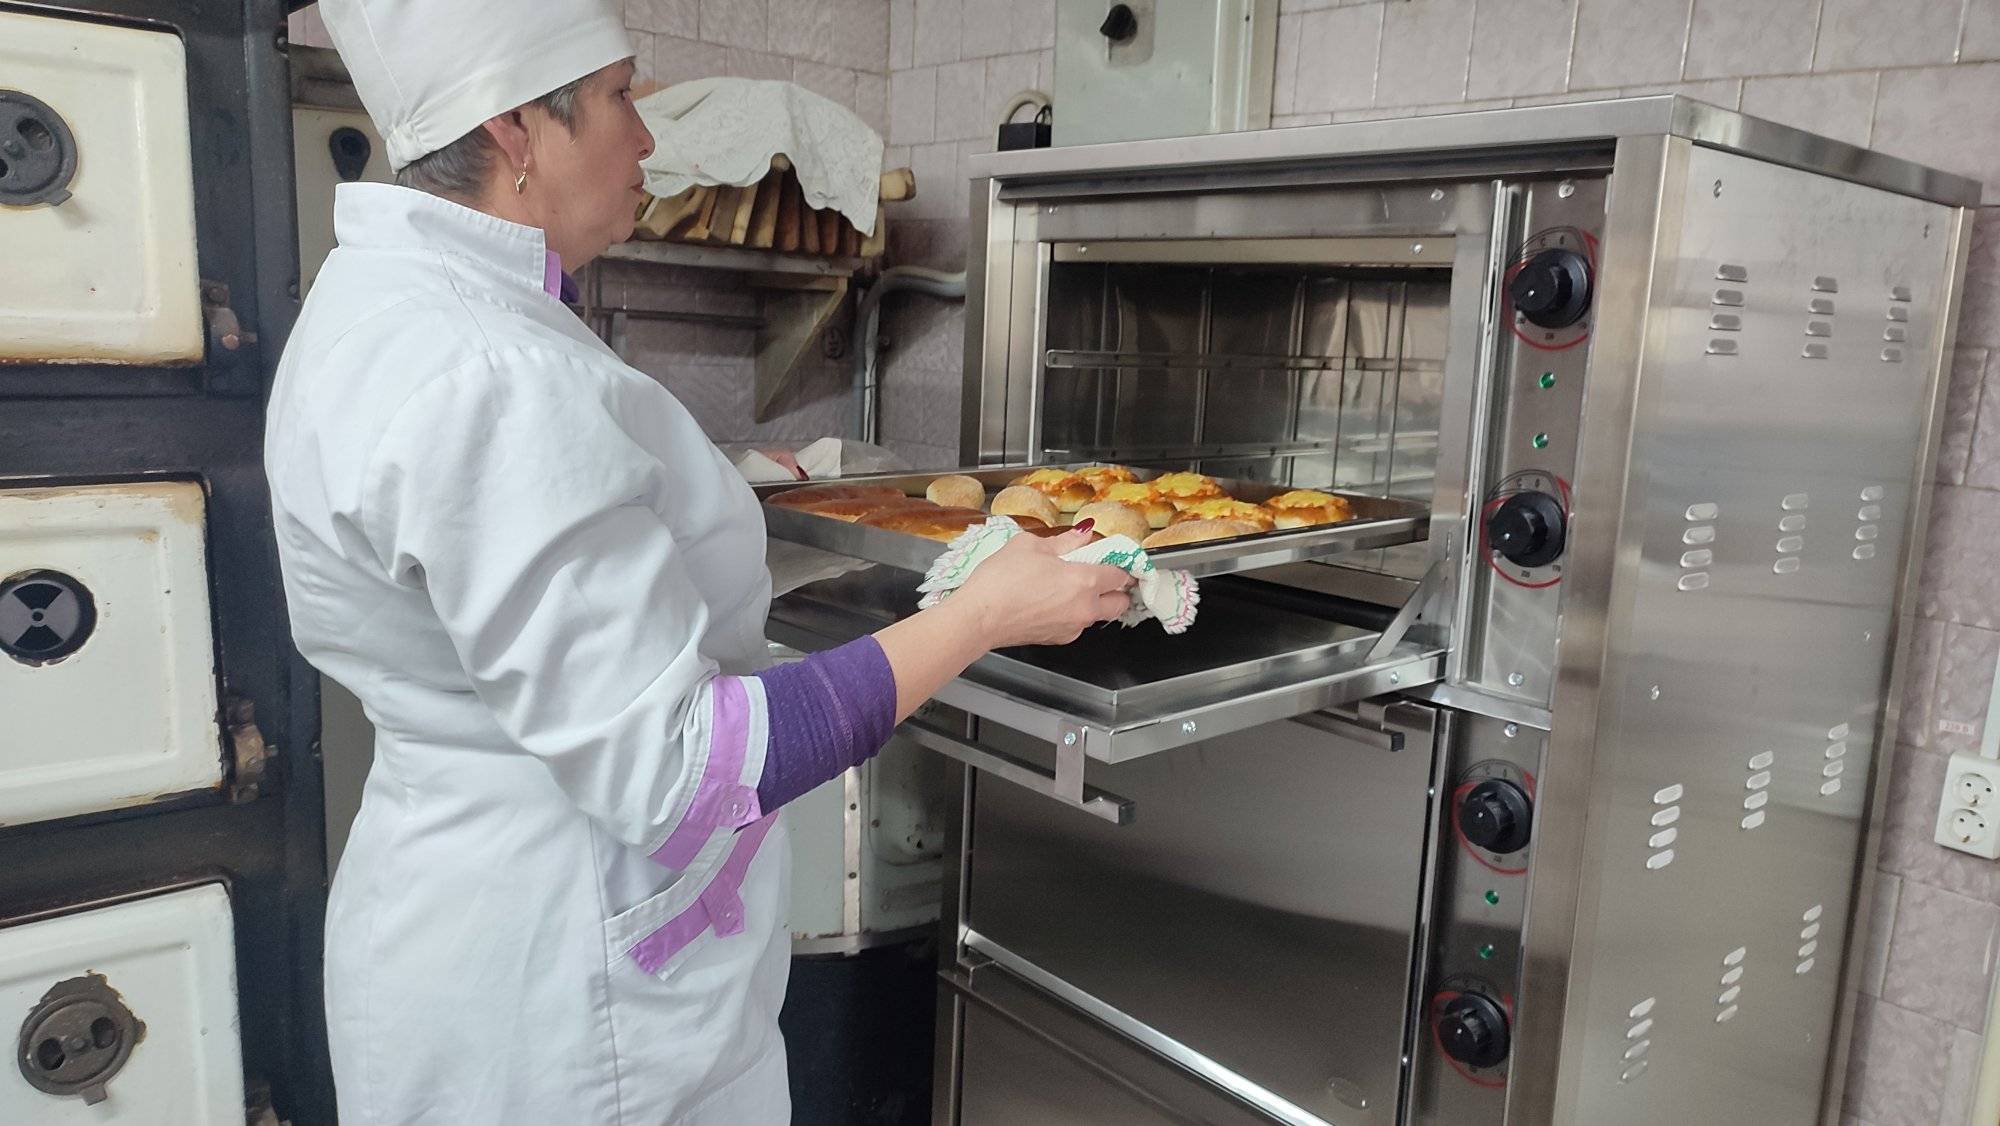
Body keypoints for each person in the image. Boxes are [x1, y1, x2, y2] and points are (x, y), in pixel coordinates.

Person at [263, 2, 1133, 1122]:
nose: (647, 138)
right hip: (572, 996)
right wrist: (980, 614)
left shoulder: (387, 302)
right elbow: (683, 773)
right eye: (621, 97)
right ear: (517, 128)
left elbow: (495, 524)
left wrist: (720, 477)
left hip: (464, 907)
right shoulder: (491, 372)